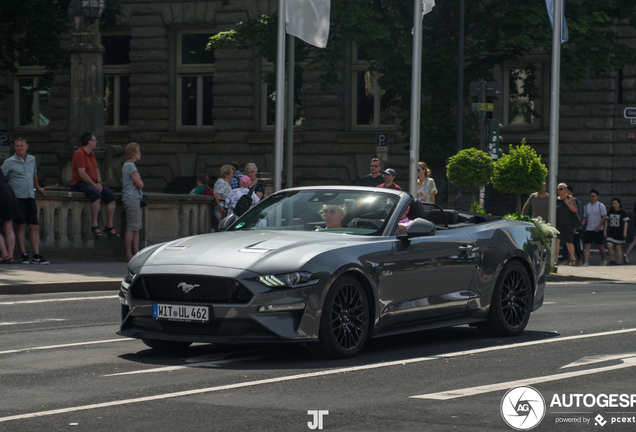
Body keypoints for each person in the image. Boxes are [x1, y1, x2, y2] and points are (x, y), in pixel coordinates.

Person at [1, 137, 48, 264]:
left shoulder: (32, 159)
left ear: (26, 147)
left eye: (22, 145)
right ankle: (23, 254)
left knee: (34, 226)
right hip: (17, 198)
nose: (19, 148)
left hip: (30, 195)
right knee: (20, 226)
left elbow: (34, 174)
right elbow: (1, 176)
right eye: (17, 146)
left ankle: (36, 255)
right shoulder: (9, 162)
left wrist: (37, 187)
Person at [70, 132, 118, 239]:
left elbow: (96, 170)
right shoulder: (79, 153)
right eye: (95, 140)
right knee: (96, 195)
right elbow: (82, 174)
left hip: (93, 183)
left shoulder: (92, 154)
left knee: (111, 197)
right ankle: (94, 224)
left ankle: (109, 225)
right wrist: (94, 185)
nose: (96, 142)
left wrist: (99, 182)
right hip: (79, 182)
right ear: (89, 142)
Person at [122, 142, 144, 262]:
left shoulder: (127, 166)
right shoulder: (130, 166)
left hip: (133, 199)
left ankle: (135, 252)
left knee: (135, 227)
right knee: (132, 227)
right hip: (132, 198)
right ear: (133, 153)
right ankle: (129, 253)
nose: (140, 154)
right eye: (138, 151)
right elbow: (139, 183)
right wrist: (142, 183)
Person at [554, 183, 578, 267]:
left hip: (568, 224)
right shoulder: (555, 200)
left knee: (568, 242)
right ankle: (555, 259)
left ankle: (572, 258)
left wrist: (568, 204)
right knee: (557, 240)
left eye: (561, 189)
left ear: (565, 190)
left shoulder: (569, 198)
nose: (559, 191)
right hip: (558, 223)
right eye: (558, 189)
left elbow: (575, 210)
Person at [582, 189, 607, 266]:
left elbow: (604, 217)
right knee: (587, 245)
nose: (592, 197)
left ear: (597, 197)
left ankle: (603, 260)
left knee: (600, 246)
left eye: (593, 196)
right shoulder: (586, 206)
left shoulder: (600, 205)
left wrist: (599, 226)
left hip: (598, 229)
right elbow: (585, 217)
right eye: (590, 196)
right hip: (589, 228)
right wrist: (582, 224)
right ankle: (586, 262)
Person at [0, 169, 19, 263]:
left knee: (8, 226)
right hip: (8, 193)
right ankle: (11, 256)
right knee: (8, 226)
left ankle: (4, 255)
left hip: (1, 195)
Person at [562, 185, 583, 266]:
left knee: (576, 243)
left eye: (568, 192)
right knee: (565, 243)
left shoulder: (576, 202)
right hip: (566, 226)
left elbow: (579, 215)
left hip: (574, 227)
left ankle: (579, 259)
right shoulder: (563, 201)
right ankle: (565, 259)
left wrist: (576, 227)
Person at [604, 197, 629, 265]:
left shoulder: (622, 212)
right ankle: (612, 260)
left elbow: (625, 222)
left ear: (619, 204)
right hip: (611, 232)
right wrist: (605, 231)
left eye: (615, 203)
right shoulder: (610, 211)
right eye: (613, 203)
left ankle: (619, 262)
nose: (614, 205)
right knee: (609, 245)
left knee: (618, 248)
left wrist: (624, 232)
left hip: (619, 232)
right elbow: (607, 221)